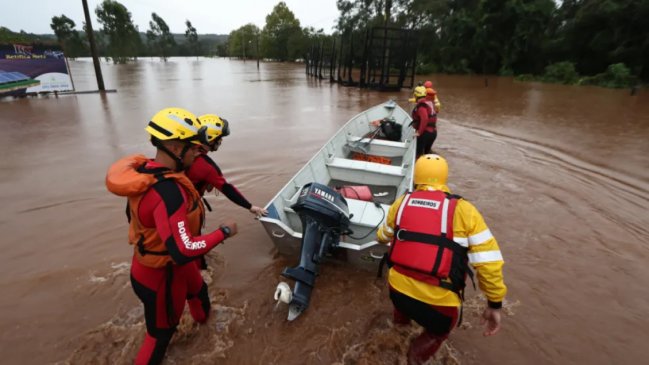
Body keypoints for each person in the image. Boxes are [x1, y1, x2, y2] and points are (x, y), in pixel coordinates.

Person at [106, 107, 238, 365]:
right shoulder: (168, 192)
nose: (199, 154)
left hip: (175, 268)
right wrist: (223, 232)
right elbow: (183, 248)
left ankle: (205, 334)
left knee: (199, 293)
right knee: (160, 336)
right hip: (160, 276)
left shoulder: (148, 172)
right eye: (194, 149)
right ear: (177, 148)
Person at [377, 154, 506, 365]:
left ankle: (397, 332)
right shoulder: (465, 210)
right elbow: (489, 263)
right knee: (438, 331)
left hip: (397, 291)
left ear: (416, 177)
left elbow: (382, 236)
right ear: (445, 177)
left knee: (401, 310)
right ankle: (413, 357)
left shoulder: (401, 203)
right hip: (438, 307)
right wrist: (495, 303)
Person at [186, 114, 267, 218]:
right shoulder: (207, 166)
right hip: (187, 209)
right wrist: (250, 207)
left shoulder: (185, 154)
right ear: (210, 139)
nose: (221, 141)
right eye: (219, 138)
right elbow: (227, 189)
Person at [411, 86, 438, 157]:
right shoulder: (430, 104)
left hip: (425, 134)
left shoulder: (422, 106)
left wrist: (419, 133)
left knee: (418, 155)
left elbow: (425, 119)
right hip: (433, 133)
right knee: (426, 155)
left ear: (416, 96)